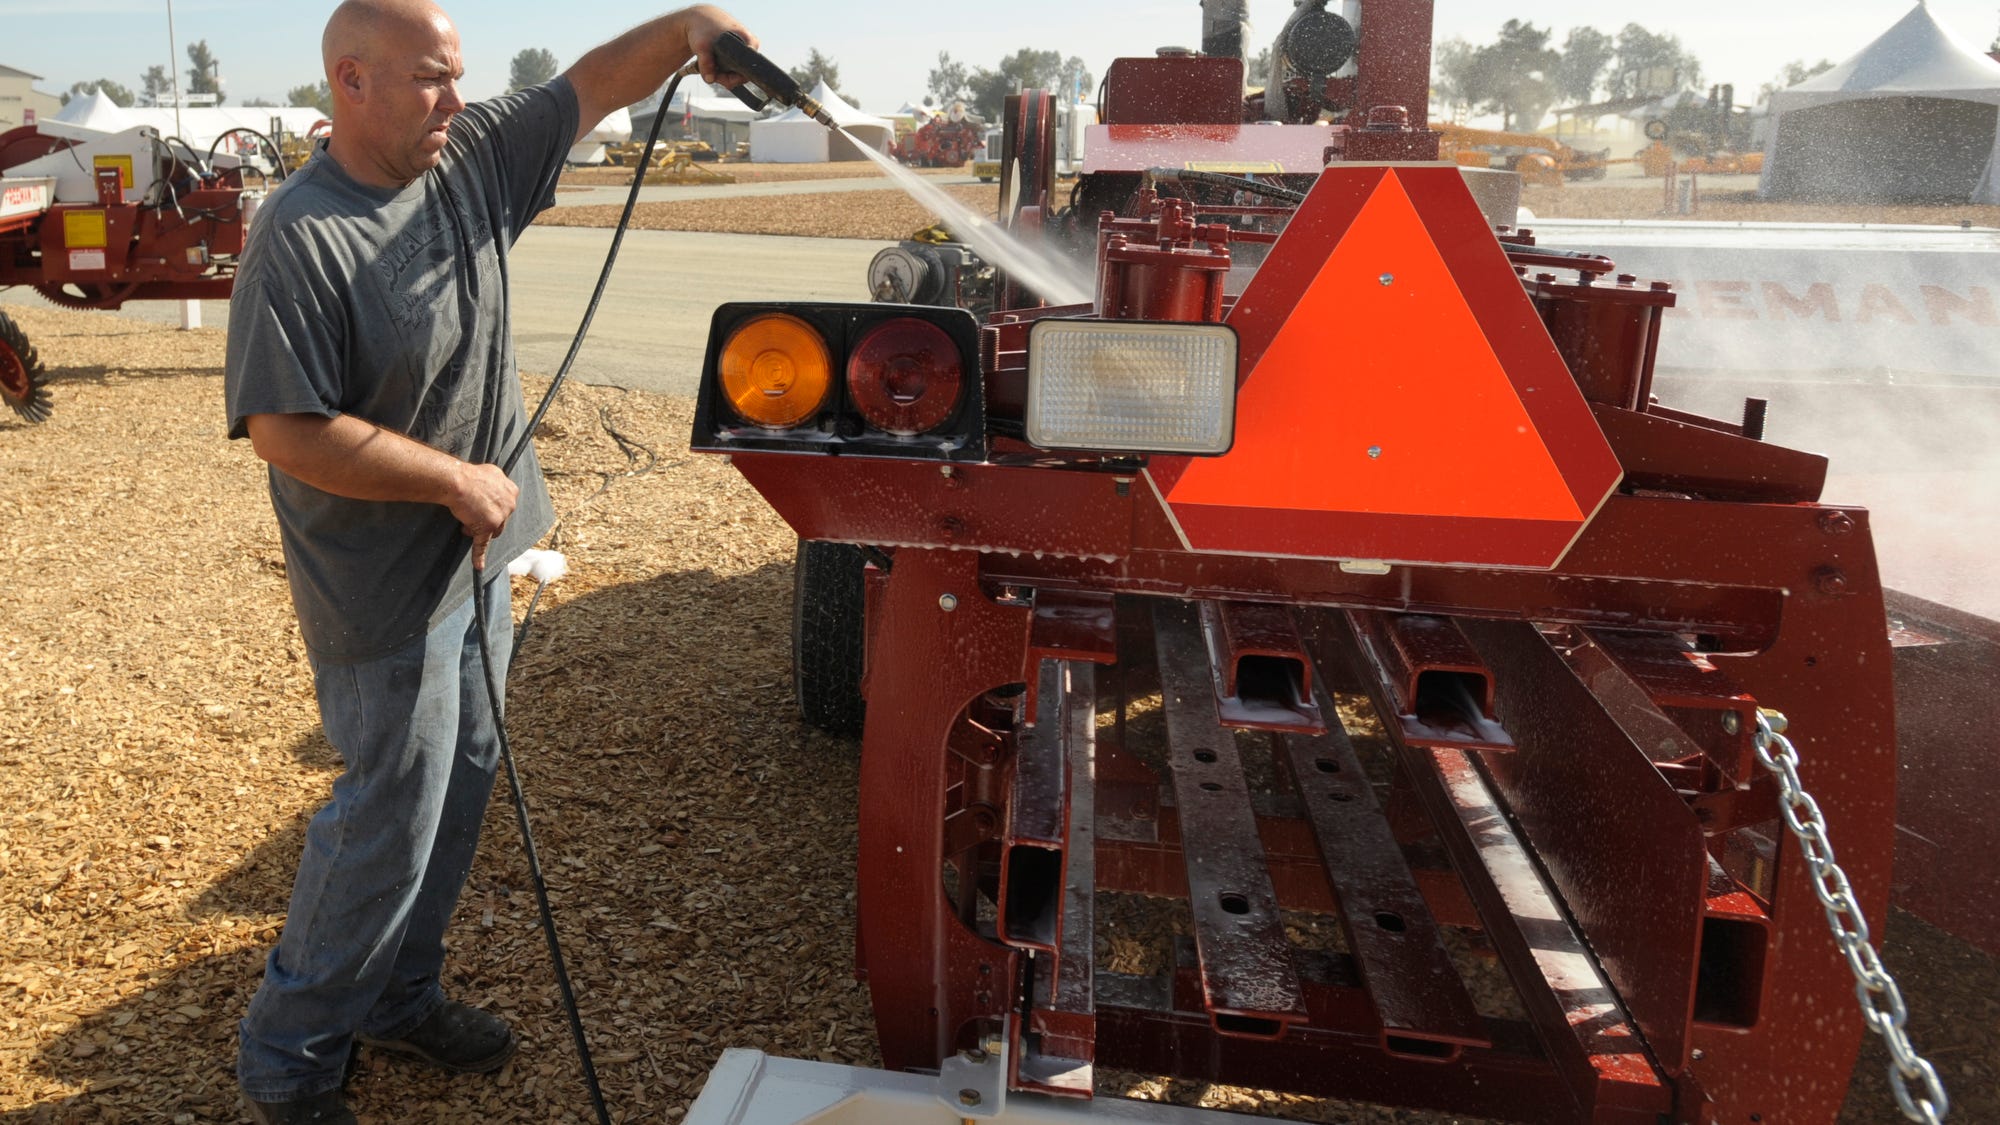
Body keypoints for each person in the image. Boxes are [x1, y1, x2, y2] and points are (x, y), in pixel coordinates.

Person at [223, 3, 754, 1122]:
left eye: (457, 75)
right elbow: (285, 429)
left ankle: (396, 998)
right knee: (386, 817)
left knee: (459, 787)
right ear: (350, 81)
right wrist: (452, 479)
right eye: (430, 79)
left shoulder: (459, 158)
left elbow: (588, 85)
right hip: (381, 590)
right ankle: (289, 1062)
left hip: (481, 560)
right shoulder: (303, 234)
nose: (456, 101)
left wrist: (694, 29)